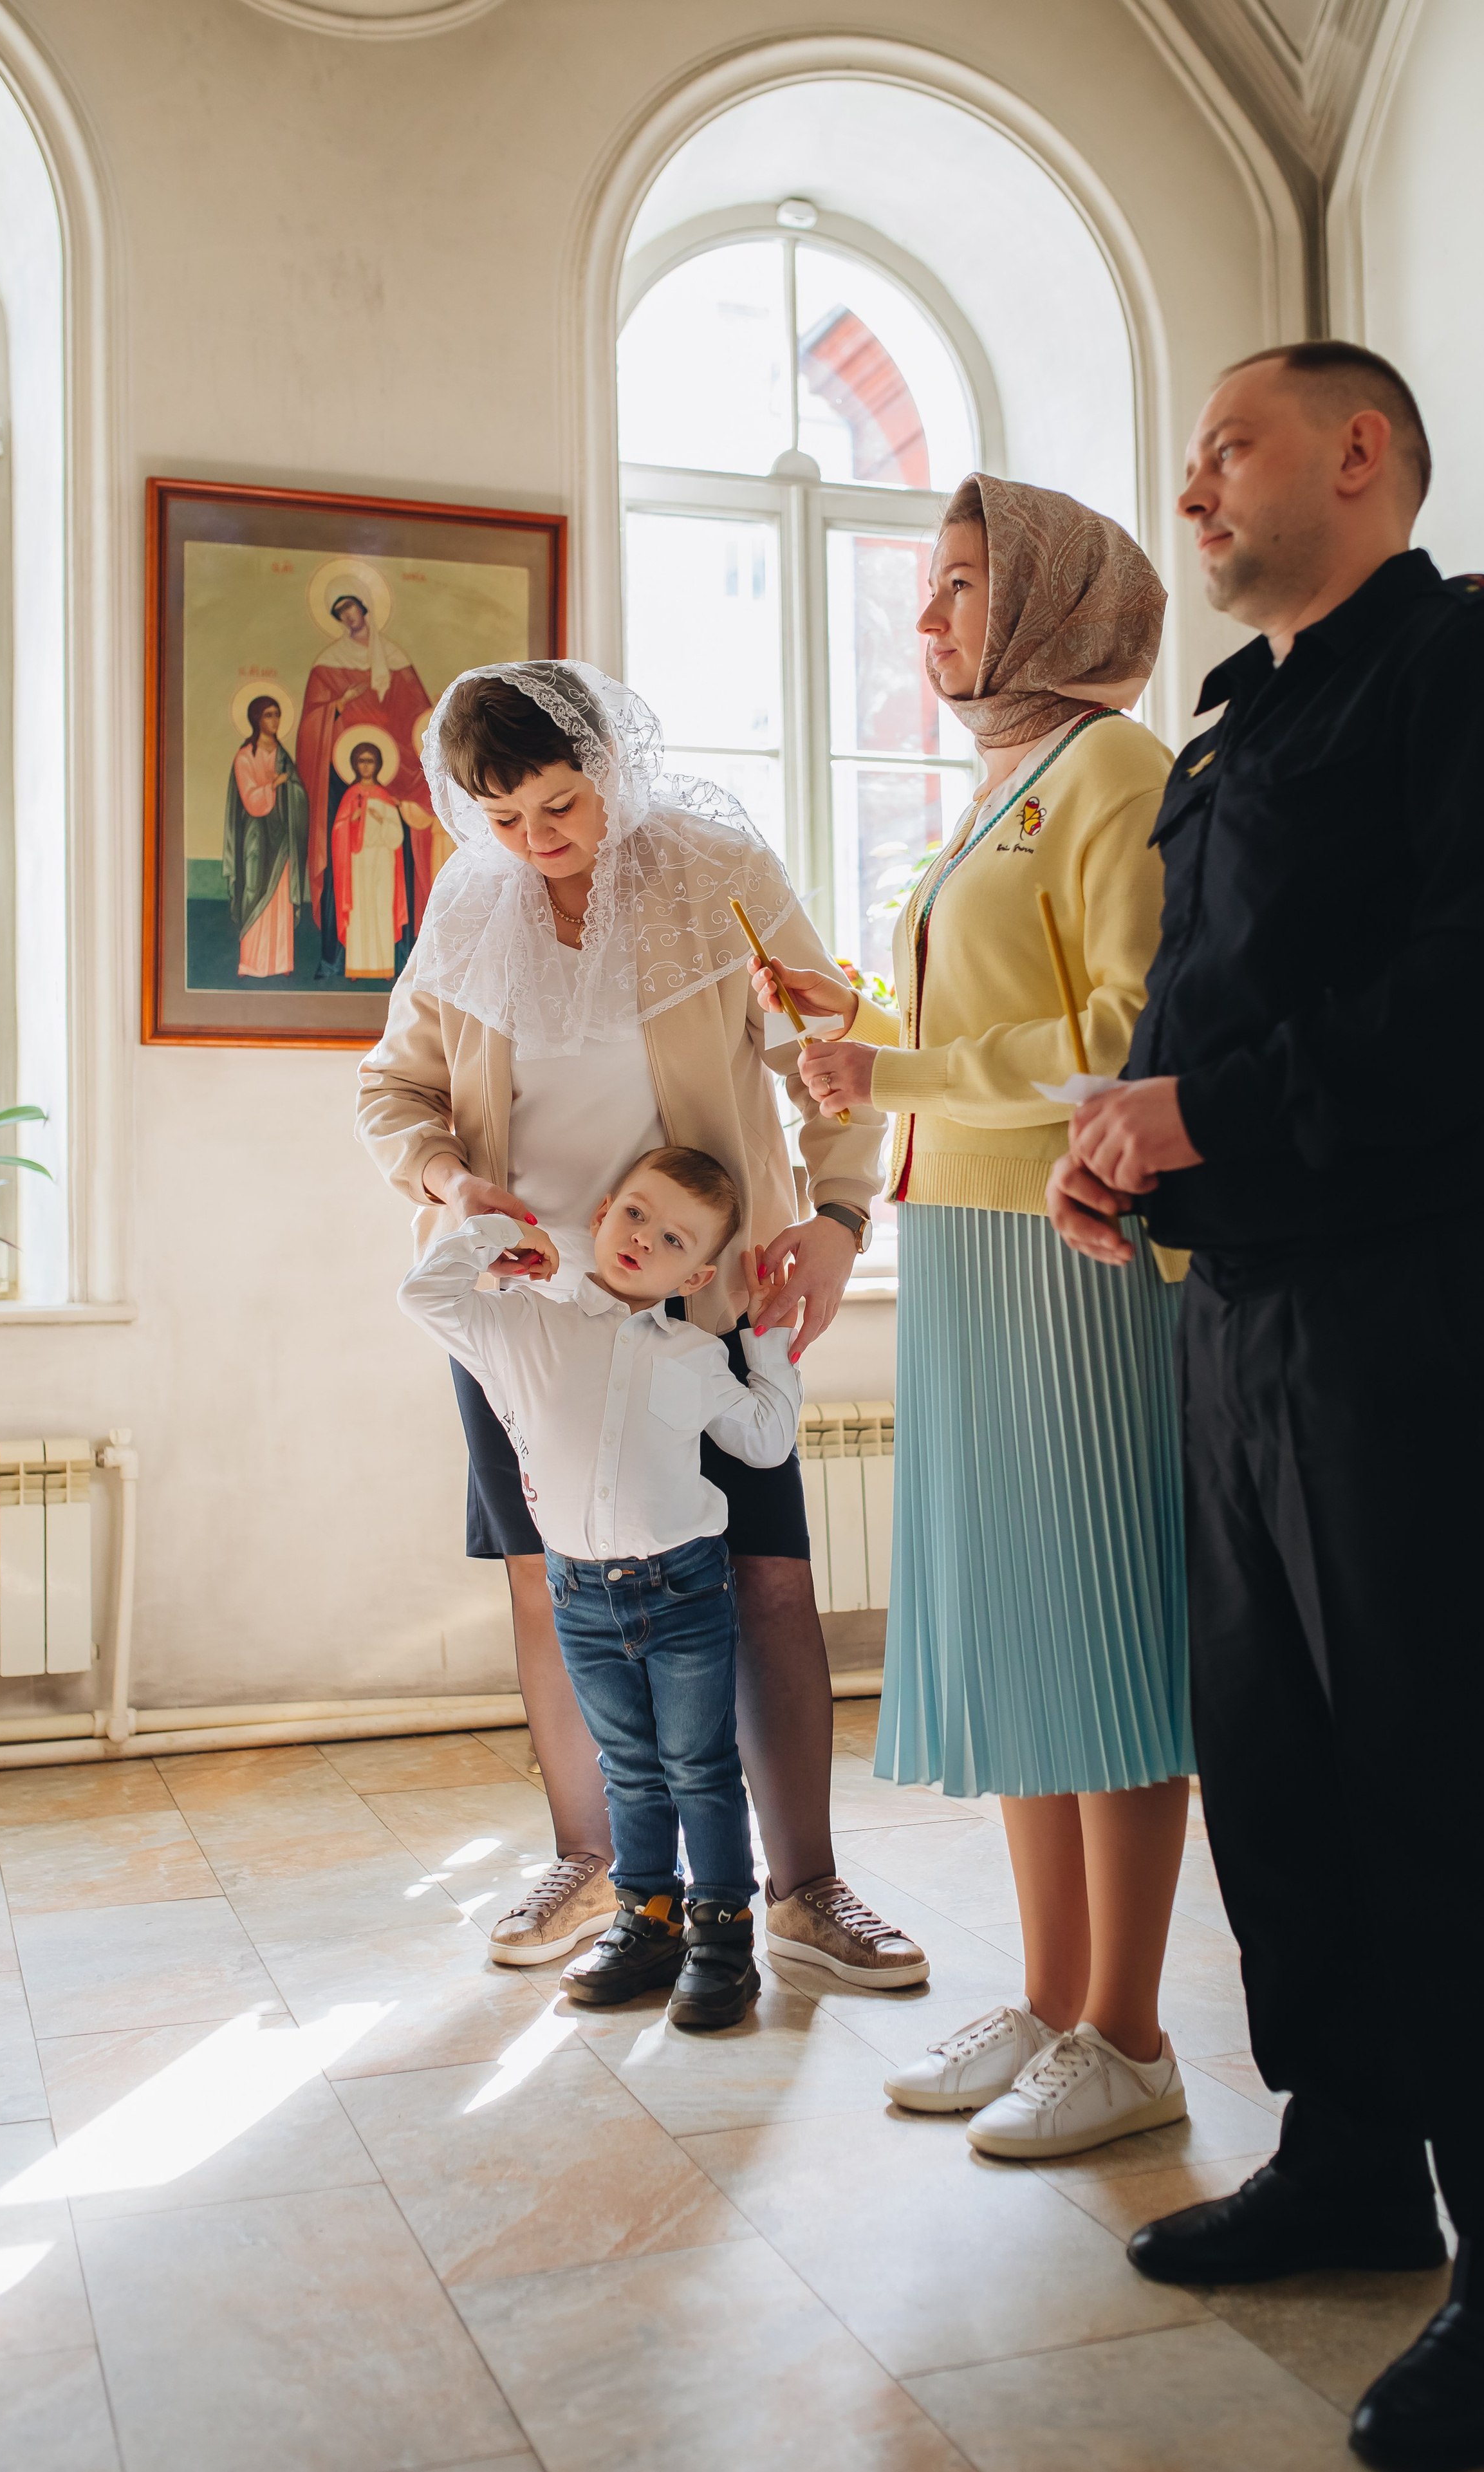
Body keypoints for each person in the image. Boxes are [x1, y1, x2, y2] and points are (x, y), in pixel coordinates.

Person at [1048, 342, 1484, 2471]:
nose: (1191, 484)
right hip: (1252, 1307)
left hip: (1421, 1313)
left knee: (1447, 1794)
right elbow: (1223, 1001)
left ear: (1359, 453)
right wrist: (1133, 1153)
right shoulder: (1251, 716)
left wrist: (1205, 1115)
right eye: (1192, 456)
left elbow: (1482, 1002)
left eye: (1230, 447)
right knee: (1277, 1761)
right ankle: (1356, 2161)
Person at [357, 659, 927, 1991]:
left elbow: (835, 1050)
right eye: (503, 820)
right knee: (550, 1588)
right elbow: (396, 1090)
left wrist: (838, 1219)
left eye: (560, 804)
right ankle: (594, 1858)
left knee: (765, 1580)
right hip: (524, 1322)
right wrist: (450, 1181)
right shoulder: (467, 905)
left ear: (611, 762)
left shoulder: (710, 868)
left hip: (706, 1292)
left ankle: (807, 1890)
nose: (538, 842)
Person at [759, 475, 1192, 2161]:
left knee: (1102, 1639)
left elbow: (1123, 1026)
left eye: (959, 589)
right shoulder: (996, 787)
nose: (927, 620)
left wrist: (903, 1062)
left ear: (1052, 605)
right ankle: (1054, 1997)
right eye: (930, 590)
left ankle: (1133, 2030)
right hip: (960, 1241)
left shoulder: (1116, 771)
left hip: (1070, 1249)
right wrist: (856, 1021)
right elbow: (988, 1017)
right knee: (1021, 1637)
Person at [398, 1146, 803, 2031]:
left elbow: (765, 1440)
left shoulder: (695, 1355)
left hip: (687, 1590)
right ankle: (646, 1920)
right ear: (603, 1211)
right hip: (580, 1597)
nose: (643, 1239)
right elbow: (426, 1296)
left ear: (696, 1272)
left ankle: (723, 1934)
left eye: (671, 1238)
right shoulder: (526, 1326)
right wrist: (501, 1229)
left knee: (699, 1767)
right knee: (627, 1770)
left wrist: (767, 1339)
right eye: (635, 1214)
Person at [298, 575, 441, 971]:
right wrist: (337, 706)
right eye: (340, 613)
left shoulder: (393, 656)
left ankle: (404, 951)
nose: (349, 617)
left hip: (394, 765)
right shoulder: (329, 662)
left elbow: (419, 718)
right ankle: (334, 951)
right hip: (339, 769)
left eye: (352, 608)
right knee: (339, 851)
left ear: (365, 609)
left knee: (404, 857)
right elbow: (313, 720)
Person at [225, 693, 308, 978]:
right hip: (256, 836)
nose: (274, 720)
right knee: (254, 890)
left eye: (277, 715)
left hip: (283, 834)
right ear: (256, 720)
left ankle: (280, 962)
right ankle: (250, 963)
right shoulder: (246, 755)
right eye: (268, 715)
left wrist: (288, 784)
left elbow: (297, 791)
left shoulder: (283, 756)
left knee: (280, 895)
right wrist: (275, 783)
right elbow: (250, 799)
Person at [330, 737, 410, 981]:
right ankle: (356, 967)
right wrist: (351, 820)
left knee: (382, 908)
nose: (366, 766)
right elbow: (337, 831)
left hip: (384, 860)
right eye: (361, 761)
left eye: (370, 761)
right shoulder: (350, 795)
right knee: (360, 911)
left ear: (378, 764)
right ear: (355, 764)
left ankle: (384, 967)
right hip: (358, 861)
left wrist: (381, 818)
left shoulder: (384, 797)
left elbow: (397, 836)